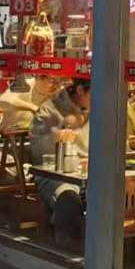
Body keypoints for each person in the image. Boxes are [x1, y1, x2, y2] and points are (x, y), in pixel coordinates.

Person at [30, 78, 91, 236]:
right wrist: (57, 139)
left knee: (109, 196)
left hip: (91, 176)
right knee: (68, 199)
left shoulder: (101, 109)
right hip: (57, 176)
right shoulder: (49, 110)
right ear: (80, 90)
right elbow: (42, 156)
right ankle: (65, 246)